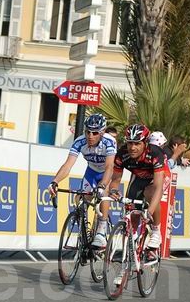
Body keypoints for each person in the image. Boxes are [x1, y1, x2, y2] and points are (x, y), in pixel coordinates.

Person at [48, 113, 116, 248]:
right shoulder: (79, 141)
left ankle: (101, 230)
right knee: (79, 200)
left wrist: (102, 185)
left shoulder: (109, 141)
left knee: (103, 194)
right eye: (87, 132)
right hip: (91, 172)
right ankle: (84, 234)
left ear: (102, 132)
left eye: (95, 133)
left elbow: (109, 167)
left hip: (105, 173)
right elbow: (68, 165)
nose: (90, 136)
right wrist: (55, 181)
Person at [108, 124, 167, 268]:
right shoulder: (122, 154)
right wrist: (114, 190)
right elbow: (115, 180)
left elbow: (158, 187)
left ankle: (156, 231)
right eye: (130, 143)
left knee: (150, 193)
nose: (132, 147)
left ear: (145, 143)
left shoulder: (155, 153)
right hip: (138, 178)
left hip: (157, 178)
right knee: (131, 210)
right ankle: (129, 252)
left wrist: (149, 212)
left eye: (137, 143)